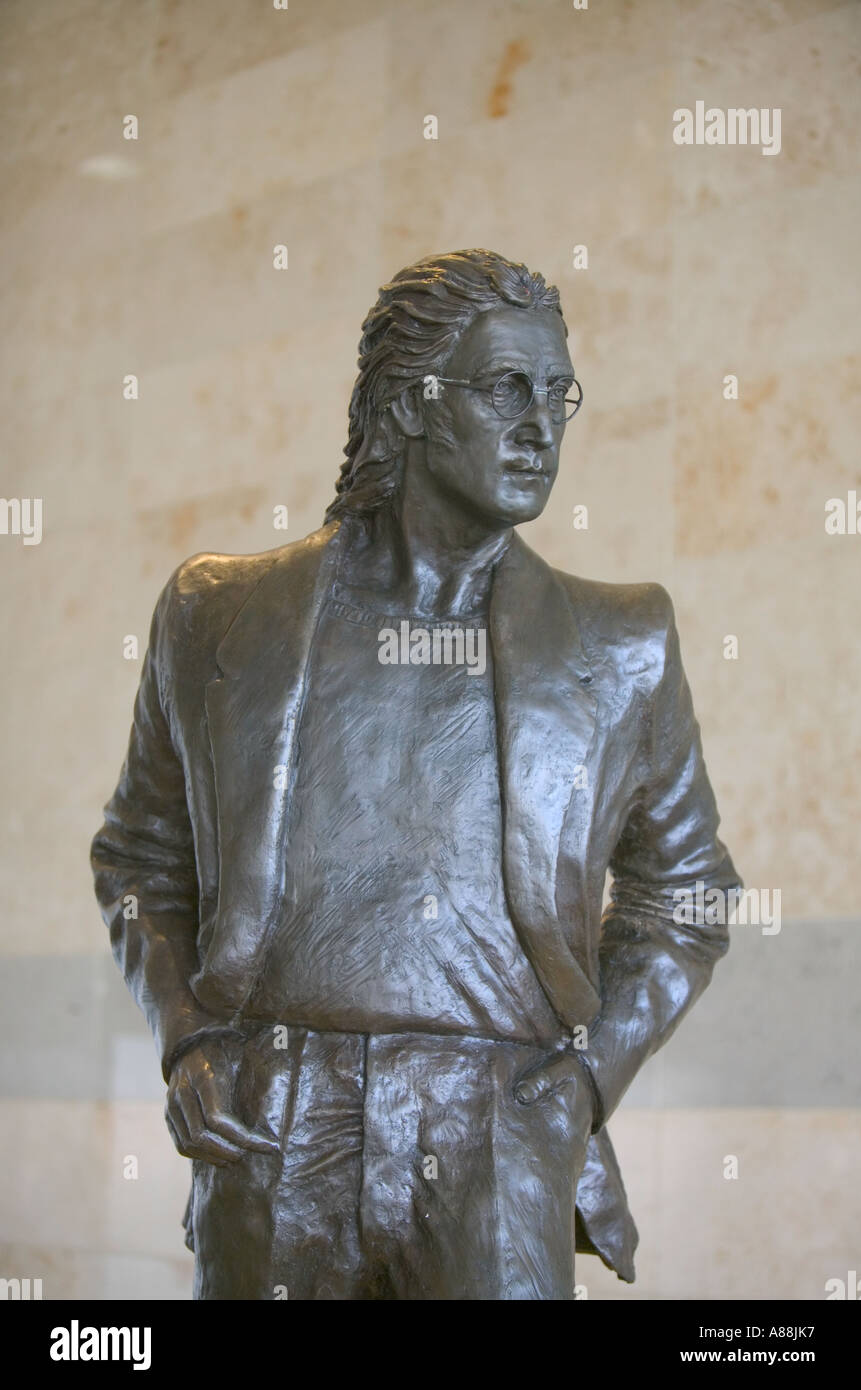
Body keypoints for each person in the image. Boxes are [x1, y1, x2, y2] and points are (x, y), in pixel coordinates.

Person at [91, 249, 741, 1300]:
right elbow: (138, 856)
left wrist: (581, 1080)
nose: (542, 424)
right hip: (274, 1126)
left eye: (556, 391)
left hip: (499, 1132)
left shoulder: (622, 641)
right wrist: (188, 1037)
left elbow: (688, 893)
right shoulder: (219, 613)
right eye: (504, 388)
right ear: (408, 405)